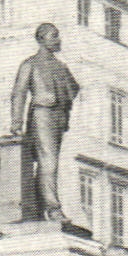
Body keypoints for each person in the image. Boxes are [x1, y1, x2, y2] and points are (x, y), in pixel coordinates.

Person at [8, 23, 81, 222]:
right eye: (53, 36)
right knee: (48, 161)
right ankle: (53, 208)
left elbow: (74, 88)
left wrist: (62, 98)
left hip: (57, 115)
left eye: (57, 36)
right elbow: (19, 93)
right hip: (41, 115)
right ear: (41, 39)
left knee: (48, 163)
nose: (58, 40)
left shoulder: (60, 66)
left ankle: (40, 208)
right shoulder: (30, 64)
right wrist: (16, 122)